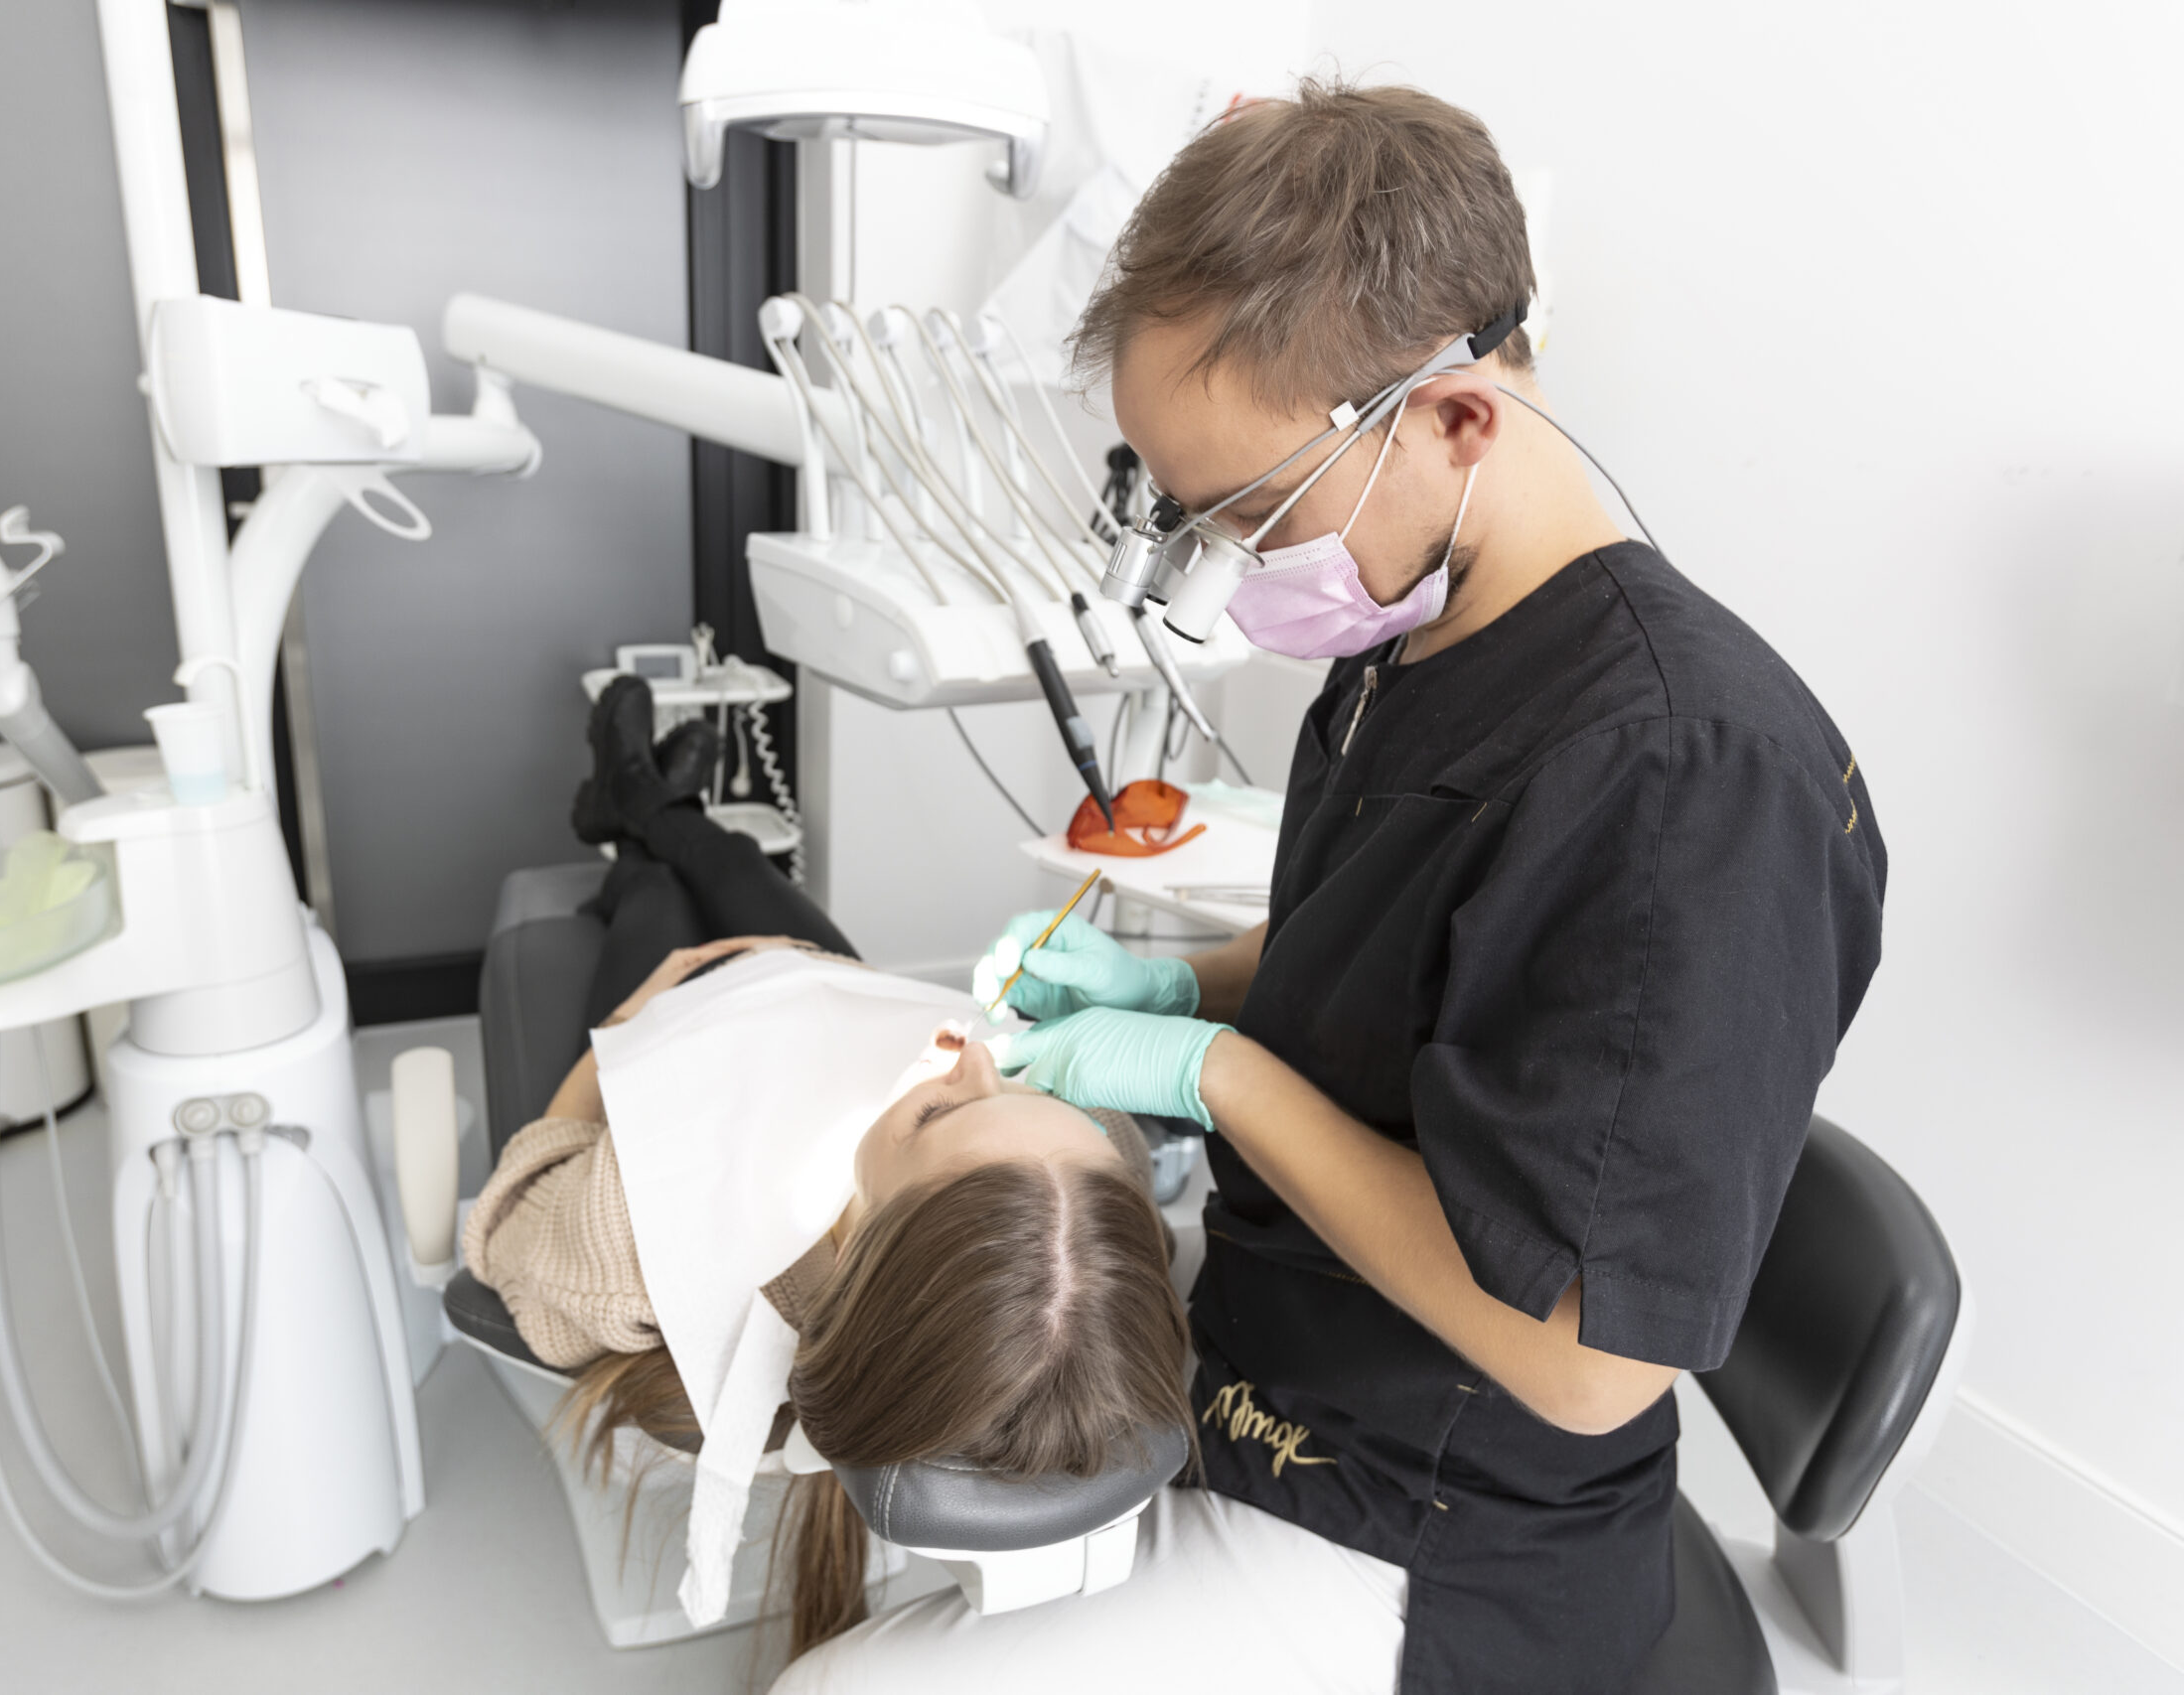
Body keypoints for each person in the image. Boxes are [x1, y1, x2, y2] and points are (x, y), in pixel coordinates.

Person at [797, 76, 1887, 1694]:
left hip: (1435, 1538)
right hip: (1282, 1371)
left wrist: (1212, 1073)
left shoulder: (1682, 782)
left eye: (1250, 511)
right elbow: (1390, 971)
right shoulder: (1412, 653)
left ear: (1453, 418)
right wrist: (1181, 989)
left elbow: (1592, 1369)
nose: (1226, 566)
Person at [463, 676, 1196, 1664]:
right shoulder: (1067, 1183)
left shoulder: (630, 1236)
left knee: (653, 894)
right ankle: (647, 803)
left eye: (942, 1106)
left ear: (870, 1250)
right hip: (817, 990)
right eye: (1032, 1092)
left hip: (675, 1032)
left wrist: (620, 1038)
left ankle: (631, 817)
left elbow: (505, 1217)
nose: (969, 1047)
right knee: (726, 858)